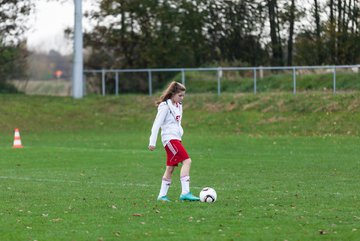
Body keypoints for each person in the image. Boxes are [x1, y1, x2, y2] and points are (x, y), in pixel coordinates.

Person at [148, 81, 200, 202]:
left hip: (176, 139)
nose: (182, 98)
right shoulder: (164, 106)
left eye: (183, 96)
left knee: (170, 168)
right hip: (169, 139)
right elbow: (157, 124)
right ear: (173, 94)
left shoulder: (178, 105)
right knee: (187, 161)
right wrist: (152, 142)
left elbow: (177, 123)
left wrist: (180, 132)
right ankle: (185, 193)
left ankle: (161, 196)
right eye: (180, 95)